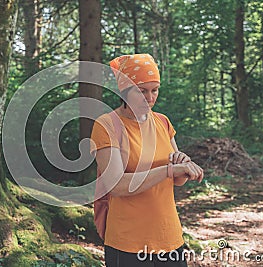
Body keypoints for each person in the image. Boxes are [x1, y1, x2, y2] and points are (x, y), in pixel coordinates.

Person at [90, 53, 204, 267]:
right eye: (141, 91)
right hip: (127, 242)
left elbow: (177, 180)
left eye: (154, 90)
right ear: (124, 90)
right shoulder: (107, 125)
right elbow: (117, 185)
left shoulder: (162, 122)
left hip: (169, 237)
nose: (150, 98)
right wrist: (168, 171)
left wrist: (182, 165)